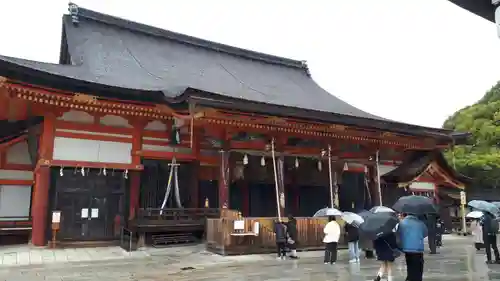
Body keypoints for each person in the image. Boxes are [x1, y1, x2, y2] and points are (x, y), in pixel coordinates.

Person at [398, 213, 428, 281]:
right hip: (418, 248)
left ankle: (410, 278)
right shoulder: (420, 223)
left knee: (410, 265)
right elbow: (425, 233)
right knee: (418, 266)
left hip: (407, 248)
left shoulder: (402, 223)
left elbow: (399, 234)